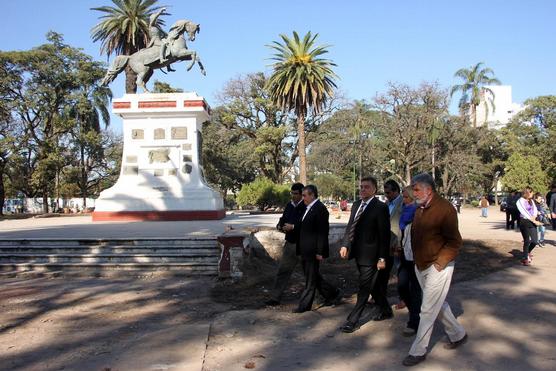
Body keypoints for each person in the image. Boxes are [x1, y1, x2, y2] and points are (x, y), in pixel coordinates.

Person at [402, 173, 467, 367]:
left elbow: (455, 242)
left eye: (416, 189)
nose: (413, 193)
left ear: (428, 190)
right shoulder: (419, 208)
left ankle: (418, 350)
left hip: (440, 266)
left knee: (428, 308)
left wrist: (440, 263)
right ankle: (458, 334)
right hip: (421, 264)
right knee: (437, 304)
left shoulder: (445, 209)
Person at [338, 176, 390, 332]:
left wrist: (382, 257)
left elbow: (384, 235)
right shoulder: (356, 205)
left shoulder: (380, 207)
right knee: (372, 286)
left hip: (372, 256)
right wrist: (345, 245)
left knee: (364, 287)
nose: (362, 189)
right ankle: (386, 310)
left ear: (374, 189)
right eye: (361, 187)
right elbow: (350, 227)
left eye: (366, 187)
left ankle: (352, 320)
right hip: (358, 253)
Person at [283, 185, 341, 313]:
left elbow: (322, 232)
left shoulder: (320, 209)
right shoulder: (308, 208)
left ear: (312, 195)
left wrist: (320, 252)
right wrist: (292, 226)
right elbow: (303, 225)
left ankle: (304, 306)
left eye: (304, 195)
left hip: (313, 250)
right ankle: (333, 293)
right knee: (313, 276)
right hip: (305, 249)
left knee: (310, 280)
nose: (302, 198)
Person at [265, 183, 306, 306]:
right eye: (291, 193)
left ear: (301, 194)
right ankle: (275, 297)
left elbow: (307, 225)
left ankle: (329, 294)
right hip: (290, 244)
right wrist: (280, 225)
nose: (293, 196)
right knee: (283, 271)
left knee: (311, 273)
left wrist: (293, 227)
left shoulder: (307, 206)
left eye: (295, 194)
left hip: (303, 244)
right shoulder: (289, 205)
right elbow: (284, 218)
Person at [397, 186, 422, 337]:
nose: (404, 200)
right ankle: (415, 312)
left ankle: (414, 322)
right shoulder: (404, 212)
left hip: (417, 258)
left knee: (416, 290)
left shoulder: (419, 213)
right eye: (403, 197)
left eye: (406, 198)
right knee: (402, 286)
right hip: (404, 255)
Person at [380, 179, 404, 313]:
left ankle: (403, 298)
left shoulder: (403, 203)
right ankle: (379, 295)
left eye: (388, 192)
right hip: (385, 244)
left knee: (401, 272)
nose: (387, 195)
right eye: (385, 192)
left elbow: (403, 225)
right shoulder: (386, 203)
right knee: (382, 270)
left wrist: (399, 243)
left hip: (397, 244)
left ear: (396, 191)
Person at [517, 187, 542, 266]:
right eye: (531, 192)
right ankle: (524, 258)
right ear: (526, 193)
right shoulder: (520, 201)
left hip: (532, 221)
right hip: (524, 222)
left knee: (535, 241)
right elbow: (524, 211)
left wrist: (534, 216)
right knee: (527, 241)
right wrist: (534, 220)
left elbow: (534, 209)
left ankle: (527, 252)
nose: (532, 194)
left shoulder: (531, 200)